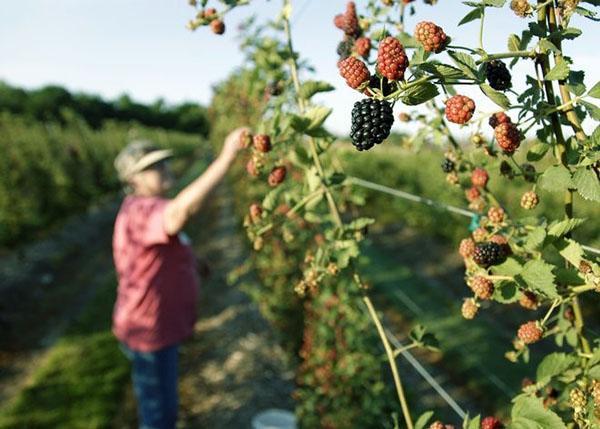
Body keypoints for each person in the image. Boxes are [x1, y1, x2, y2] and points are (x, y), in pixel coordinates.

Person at [111, 127, 246, 429]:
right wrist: (226, 156)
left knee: (159, 401)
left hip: (155, 324)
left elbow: (161, 245)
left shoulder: (143, 209)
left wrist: (193, 262)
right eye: (153, 167)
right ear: (133, 179)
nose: (164, 169)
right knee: (160, 415)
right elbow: (178, 214)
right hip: (150, 329)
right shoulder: (142, 210)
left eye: (163, 163)